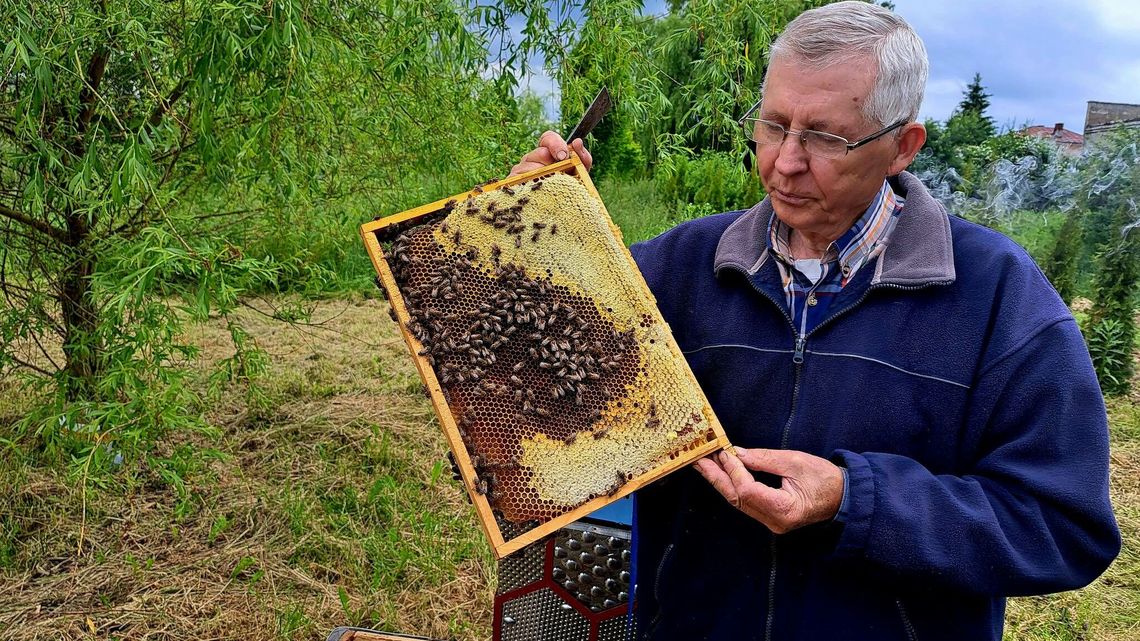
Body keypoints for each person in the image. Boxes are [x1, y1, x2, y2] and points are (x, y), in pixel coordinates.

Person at [510, 3, 1120, 640]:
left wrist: (855, 501)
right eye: (773, 126)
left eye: (826, 138)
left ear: (902, 146)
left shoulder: (997, 295)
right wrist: (536, 252)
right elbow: (536, 423)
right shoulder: (675, 266)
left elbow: (1063, 525)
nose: (785, 162)